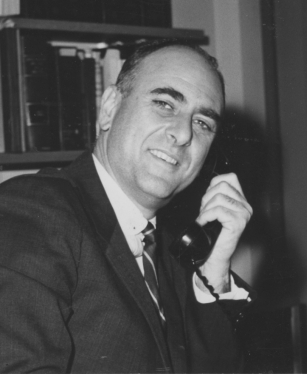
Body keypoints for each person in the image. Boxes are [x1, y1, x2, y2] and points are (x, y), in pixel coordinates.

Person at [0, 39, 255, 373]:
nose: (182, 134)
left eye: (202, 123)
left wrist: (216, 268)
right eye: (165, 104)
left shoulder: (169, 251)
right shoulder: (37, 209)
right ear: (109, 108)